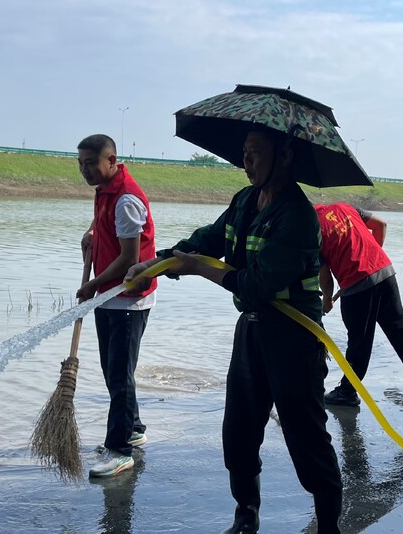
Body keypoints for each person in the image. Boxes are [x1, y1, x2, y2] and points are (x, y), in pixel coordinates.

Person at [125, 129, 343, 534]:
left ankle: (329, 527)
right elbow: (208, 240)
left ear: (285, 157)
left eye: (256, 154)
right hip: (252, 334)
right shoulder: (244, 201)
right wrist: (152, 265)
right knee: (238, 434)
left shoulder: (297, 216)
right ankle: (246, 516)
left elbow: (255, 286)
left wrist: (195, 267)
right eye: (244, 153)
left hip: (294, 340)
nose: (247, 161)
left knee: (307, 440)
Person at [76, 134, 157, 478]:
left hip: (127, 297)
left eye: (91, 163)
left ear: (111, 160)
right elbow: (108, 225)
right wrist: (92, 233)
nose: (85, 170)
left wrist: (92, 285)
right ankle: (133, 429)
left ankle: (119, 450)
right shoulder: (107, 190)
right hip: (110, 295)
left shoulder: (126, 198)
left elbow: (128, 259)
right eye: (80, 164)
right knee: (114, 370)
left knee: (119, 375)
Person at [314, 202, 403, 406]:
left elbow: (325, 275)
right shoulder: (345, 207)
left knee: (359, 339)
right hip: (384, 271)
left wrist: (326, 299)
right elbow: (381, 224)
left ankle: (348, 391)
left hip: (356, 283)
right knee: (398, 326)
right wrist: (371, 256)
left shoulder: (312, 229)